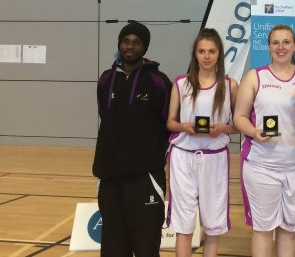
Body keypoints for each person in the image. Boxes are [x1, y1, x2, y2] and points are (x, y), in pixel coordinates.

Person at [234, 25, 295, 257]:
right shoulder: (255, 77)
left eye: (286, 42)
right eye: (275, 42)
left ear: (294, 45)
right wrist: (254, 132)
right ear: (268, 46)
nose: (281, 47)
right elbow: (239, 117)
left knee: (288, 229)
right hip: (262, 165)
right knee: (263, 230)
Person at [93, 21, 172, 257]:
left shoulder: (159, 81)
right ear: (119, 44)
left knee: (146, 243)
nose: (130, 46)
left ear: (144, 47)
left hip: (146, 175)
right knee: (113, 243)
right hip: (111, 175)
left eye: (136, 42)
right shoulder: (106, 79)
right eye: (126, 41)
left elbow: (167, 122)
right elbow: (105, 115)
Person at [166, 28, 238, 257]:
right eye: (201, 51)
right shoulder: (180, 83)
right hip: (183, 157)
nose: (206, 56)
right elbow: (170, 123)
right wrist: (184, 126)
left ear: (219, 55)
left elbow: (240, 124)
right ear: (195, 54)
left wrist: (224, 128)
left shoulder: (230, 86)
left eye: (211, 51)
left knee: (213, 226)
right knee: (184, 226)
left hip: (214, 158)